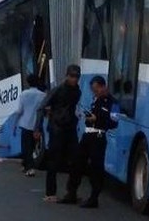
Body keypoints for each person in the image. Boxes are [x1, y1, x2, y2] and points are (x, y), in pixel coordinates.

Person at [58, 76, 119, 208]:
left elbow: (114, 123)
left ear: (103, 87)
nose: (95, 92)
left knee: (96, 168)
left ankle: (94, 198)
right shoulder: (95, 100)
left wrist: (98, 119)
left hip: (98, 136)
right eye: (93, 90)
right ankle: (71, 193)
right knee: (77, 163)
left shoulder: (113, 103)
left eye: (96, 89)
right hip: (87, 134)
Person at [34, 64, 82, 203]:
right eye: (72, 76)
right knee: (53, 162)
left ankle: (71, 192)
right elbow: (41, 108)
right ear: (67, 76)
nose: (74, 79)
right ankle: (50, 193)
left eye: (76, 77)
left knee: (76, 161)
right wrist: (37, 128)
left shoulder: (77, 91)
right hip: (57, 129)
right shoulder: (57, 90)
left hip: (70, 128)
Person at [13, 74, 46, 177]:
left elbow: (19, 111)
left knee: (26, 147)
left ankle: (30, 168)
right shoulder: (42, 95)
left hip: (25, 123)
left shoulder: (24, 94)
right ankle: (26, 165)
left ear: (28, 82)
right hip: (37, 125)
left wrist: (14, 124)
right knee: (32, 146)